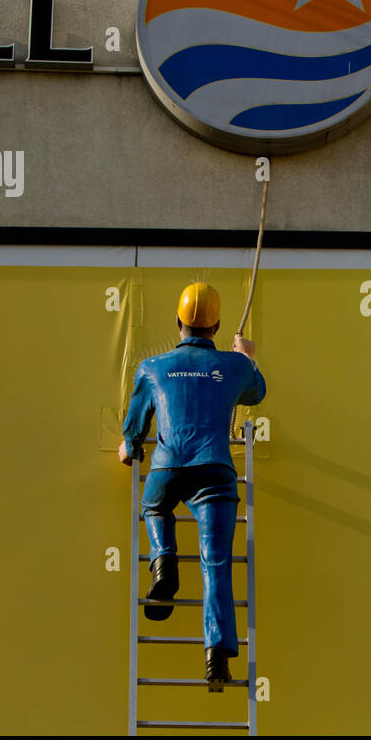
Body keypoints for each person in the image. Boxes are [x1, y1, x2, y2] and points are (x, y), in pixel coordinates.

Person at [118, 282, 267, 692]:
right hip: (214, 471)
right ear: (216, 324)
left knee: (155, 506)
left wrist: (130, 447)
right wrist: (245, 358)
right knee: (216, 564)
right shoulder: (232, 366)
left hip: (168, 468)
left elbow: (135, 421)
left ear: (178, 322)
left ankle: (164, 560)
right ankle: (216, 658)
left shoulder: (152, 366)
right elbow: (257, 392)